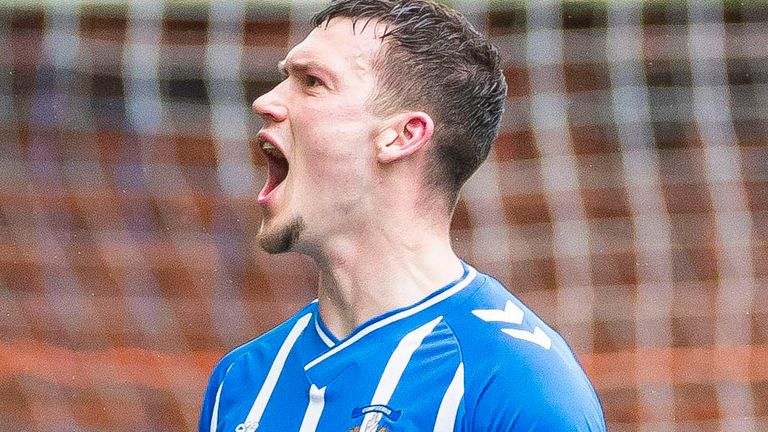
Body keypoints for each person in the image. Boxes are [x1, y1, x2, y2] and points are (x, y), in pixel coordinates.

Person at [199, 1, 606, 431]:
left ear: (402, 136)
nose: (266, 101)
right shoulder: (240, 382)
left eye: (312, 82)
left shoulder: (515, 386)